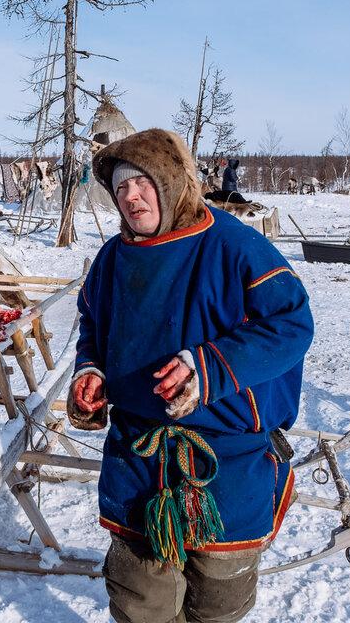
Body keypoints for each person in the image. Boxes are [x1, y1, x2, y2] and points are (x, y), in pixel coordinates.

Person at [69, 129, 313, 623]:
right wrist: (91, 370)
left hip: (225, 461)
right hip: (139, 460)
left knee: (218, 602)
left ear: (174, 182)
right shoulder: (113, 258)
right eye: (120, 189)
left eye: (141, 183)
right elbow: (94, 322)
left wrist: (208, 370)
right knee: (140, 600)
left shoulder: (234, 246)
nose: (130, 197)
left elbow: (291, 325)